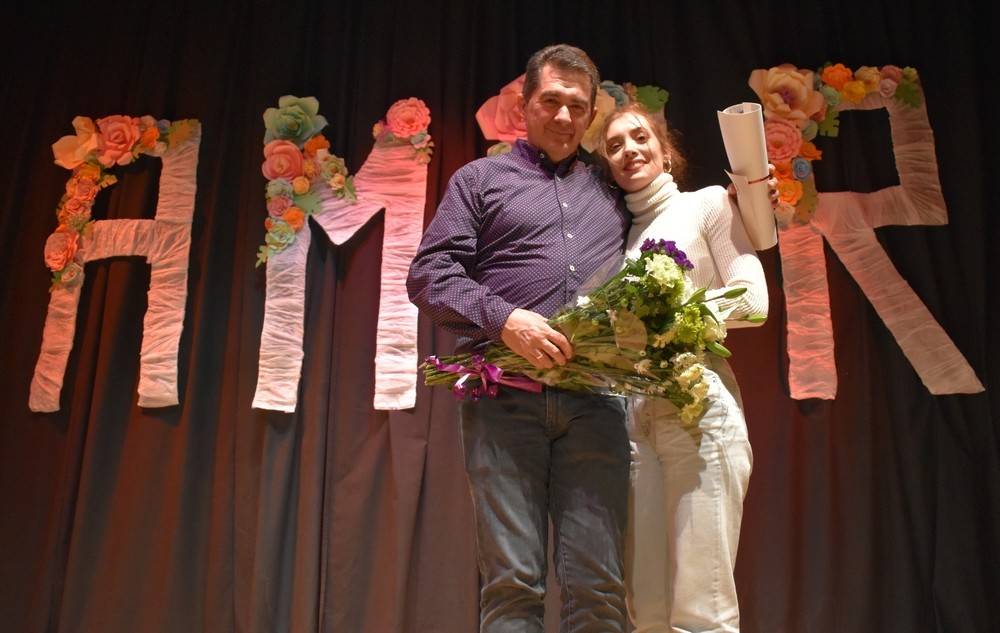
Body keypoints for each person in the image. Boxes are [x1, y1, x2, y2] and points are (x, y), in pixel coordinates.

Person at [407, 44, 633, 632]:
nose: (563, 117)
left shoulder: (612, 191)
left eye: (576, 107)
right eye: (550, 102)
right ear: (524, 104)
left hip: (597, 403)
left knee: (600, 584)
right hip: (503, 400)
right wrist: (506, 319)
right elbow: (430, 276)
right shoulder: (480, 180)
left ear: (590, 115)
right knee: (512, 584)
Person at [594, 103, 769, 632]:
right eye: (615, 145)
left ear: (665, 151)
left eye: (640, 136)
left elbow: (753, 302)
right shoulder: (613, 238)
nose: (630, 149)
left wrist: (675, 317)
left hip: (698, 411)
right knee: (643, 612)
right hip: (633, 422)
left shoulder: (708, 204)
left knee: (702, 611)